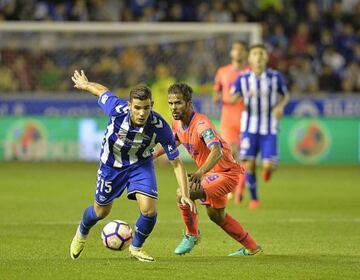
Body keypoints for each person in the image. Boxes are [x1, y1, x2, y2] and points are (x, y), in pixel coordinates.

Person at [70, 70, 195, 262]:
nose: (142, 112)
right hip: (111, 166)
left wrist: (185, 194)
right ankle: (82, 231)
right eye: (137, 107)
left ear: (151, 105)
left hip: (140, 165)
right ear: (129, 106)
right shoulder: (117, 109)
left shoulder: (160, 126)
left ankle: (136, 248)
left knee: (149, 211)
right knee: (100, 212)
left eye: (146, 108)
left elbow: (176, 163)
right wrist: (86, 85)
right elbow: (103, 92)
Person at [153, 82, 262, 257]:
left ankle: (192, 235)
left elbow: (216, 151)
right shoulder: (176, 122)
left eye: (178, 103)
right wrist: (154, 154)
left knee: (183, 192)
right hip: (213, 174)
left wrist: (200, 172)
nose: (174, 107)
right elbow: (175, 140)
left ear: (189, 103)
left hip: (226, 174)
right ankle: (252, 248)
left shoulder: (202, 124)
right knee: (216, 216)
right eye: (171, 103)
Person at [230, 44, 290, 209]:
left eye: (261, 53)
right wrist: (234, 98)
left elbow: (285, 95)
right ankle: (255, 199)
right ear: (250, 58)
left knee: (268, 165)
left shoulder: (275, 77)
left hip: (269, 127)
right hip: (249, 127)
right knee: (248, 164)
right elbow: (233, 96)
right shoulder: (243, 78)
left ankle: (268, 169)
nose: (258, 56)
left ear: (266, 57)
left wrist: (280, 106)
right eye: (255, 53)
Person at [213, 41, 249, 203]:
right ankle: (232, 189)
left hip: (247, 118)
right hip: (228, 119)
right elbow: (216, 93)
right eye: (235, 49)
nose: (238, 52)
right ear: (231, 53)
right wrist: (221, 97)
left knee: (245, 156)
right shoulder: (222, 72)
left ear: (246, 53)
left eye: (241, 50)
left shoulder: (250, 72)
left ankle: (239, 190)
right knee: (231, 153)